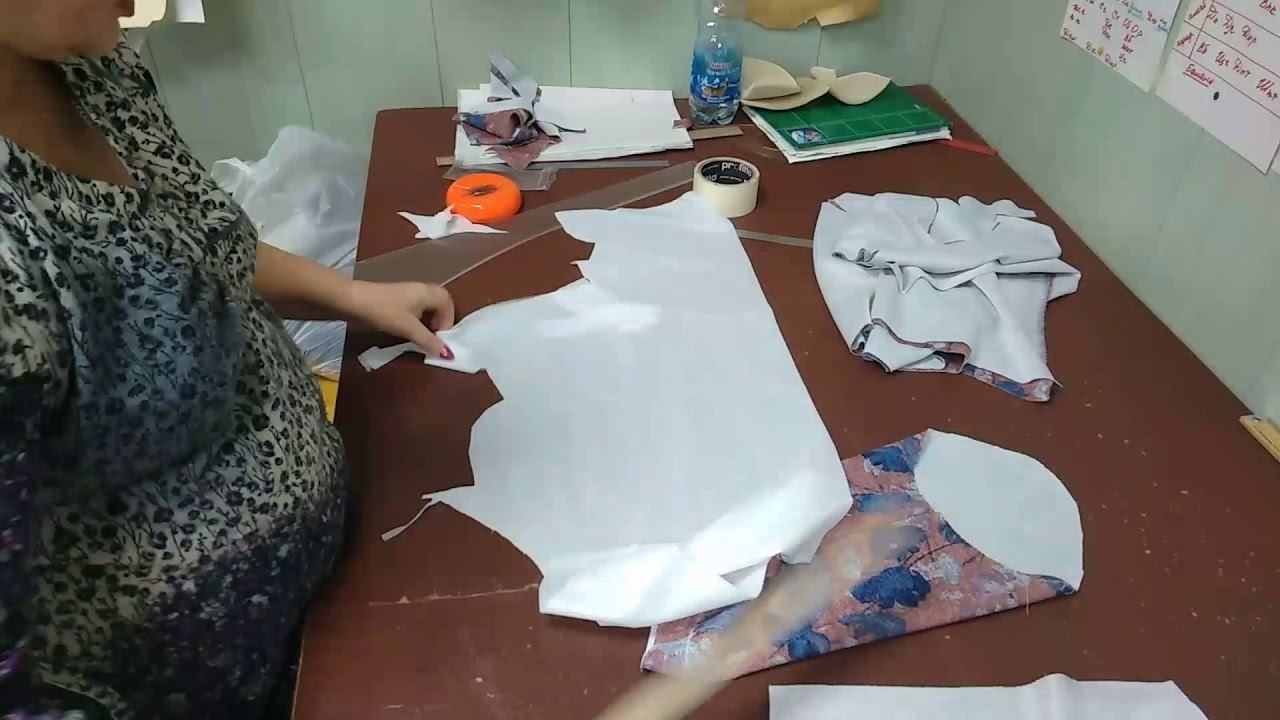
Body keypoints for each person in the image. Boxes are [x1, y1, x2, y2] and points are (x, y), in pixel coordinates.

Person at [0, 2, 456, 717]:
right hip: (197, 685)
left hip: (329, 588)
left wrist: (353, 296)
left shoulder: (90, 65)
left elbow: (196, 246)